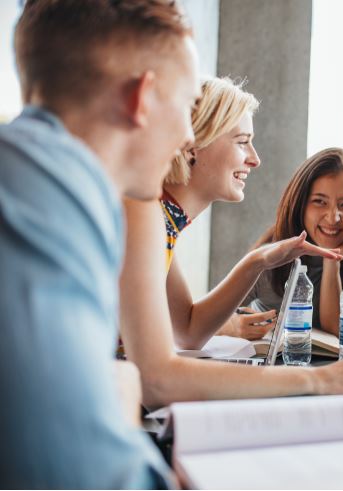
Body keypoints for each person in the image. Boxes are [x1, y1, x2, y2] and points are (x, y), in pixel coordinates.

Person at [0, 0, 200, 487]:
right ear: (143, 98)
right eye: (189, 105)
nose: (190, 134)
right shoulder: (51, 192)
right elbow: (80, 471)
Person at [120, 77, 343, 408]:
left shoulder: (163, 222)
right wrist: (319, 379)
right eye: (242, 141)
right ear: (193, 144)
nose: (255, 159)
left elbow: (187, 330)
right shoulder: (145, 216)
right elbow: (158, 380)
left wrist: (257, 261)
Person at [243, 147, 343, 335]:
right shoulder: (271, 256)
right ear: (301, 205)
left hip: (328, 361)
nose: (333, 218)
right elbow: (214, 319)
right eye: (319, 201)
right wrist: (237, 326)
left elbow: (338, 329)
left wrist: (332, 258)